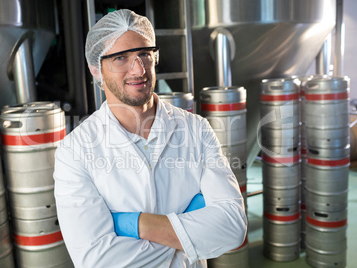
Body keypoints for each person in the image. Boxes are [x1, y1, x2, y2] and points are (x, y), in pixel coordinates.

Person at [53, 9, 247, 268]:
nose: (138, 69)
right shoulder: (74, 151)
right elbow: (96, 261)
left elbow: (232, 226)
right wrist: (188, 231)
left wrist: (134, 224)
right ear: (96, 69)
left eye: (144, 54)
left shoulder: (196, 129)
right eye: (120, 58)